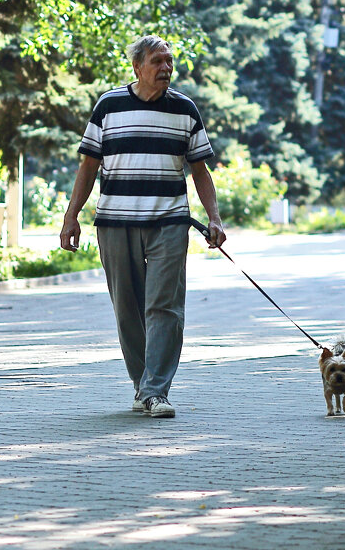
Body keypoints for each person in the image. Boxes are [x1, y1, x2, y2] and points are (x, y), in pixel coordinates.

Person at [60, 35, 226, 419]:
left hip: (169, 221)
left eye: (169, 61)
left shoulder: (184, 109)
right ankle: (142, 385)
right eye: (157, 61)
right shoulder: (109, 105)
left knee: (164, 306)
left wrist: (214, 217)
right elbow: (88, 166)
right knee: (127, 308)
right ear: (138, 68)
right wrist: (72, 217)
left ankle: (156, 391)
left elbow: (199, 169)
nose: (165, 68)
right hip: (115, 223)